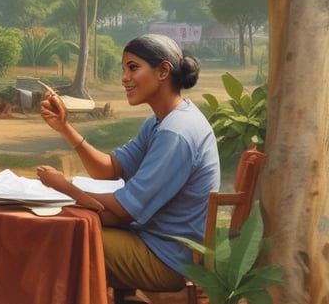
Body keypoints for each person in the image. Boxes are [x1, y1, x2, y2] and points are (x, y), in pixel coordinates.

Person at [35, 34, 220, 300]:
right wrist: (65, 128)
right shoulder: (160, 121)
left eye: (133, 67)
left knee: (60, 240)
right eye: (124, 69)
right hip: (150, 241)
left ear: (163, 71)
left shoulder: (177, 132)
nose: (124, 77)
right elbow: (109, 168)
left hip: (167, 257)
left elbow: (125, 207)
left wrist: (65, 187)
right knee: (67, 231)